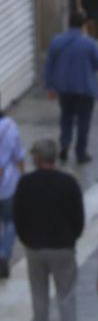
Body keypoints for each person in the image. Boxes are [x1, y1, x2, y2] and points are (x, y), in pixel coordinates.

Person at [16, 139, 84, 319]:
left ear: (37, 158)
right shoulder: (69, 183)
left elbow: (18, 217)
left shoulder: (26, 183)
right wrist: (71, 238)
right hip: (62, 247)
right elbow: (78, 218)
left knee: (39, 298)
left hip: (36, 248)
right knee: (67, 296)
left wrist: (28, 240)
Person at [45, 13, 98, 163]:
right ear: (84, 25)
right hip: (84, 88)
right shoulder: (89, 43)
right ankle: (81, 152)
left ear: (69, 24)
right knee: (83, 121)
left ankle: (65, 145)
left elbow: (48, 66)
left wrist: (50, 86)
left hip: (64, 88)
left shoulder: (56, 42)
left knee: (66, 118)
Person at [0, 101, 20, 280]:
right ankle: (4, 253)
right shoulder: (10, 127)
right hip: (7, 186)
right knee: (10, 222)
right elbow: (18, 156)